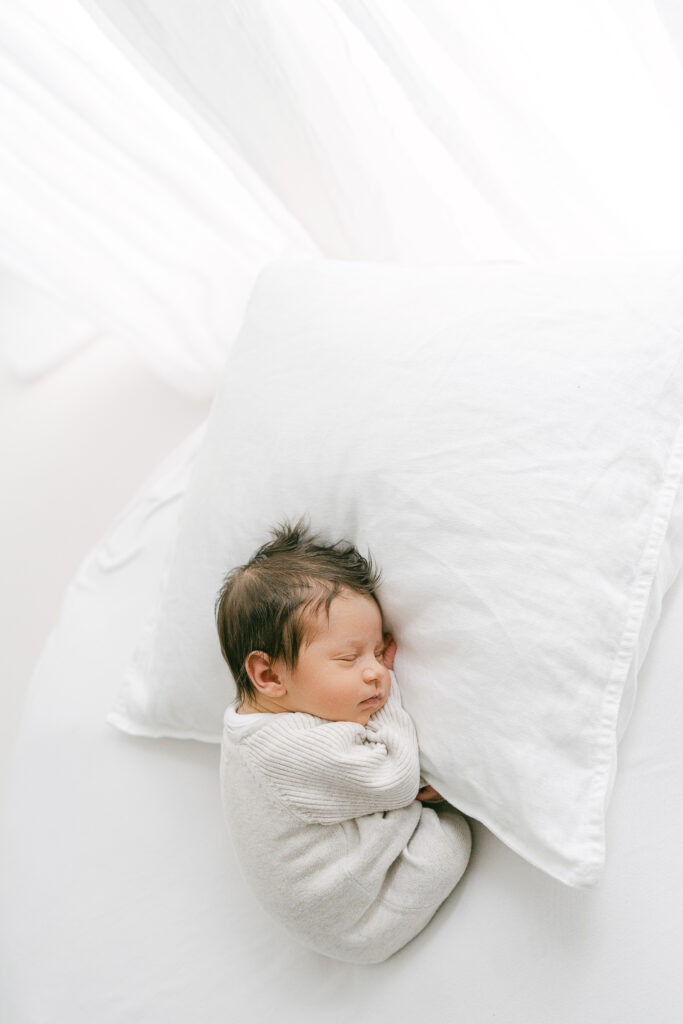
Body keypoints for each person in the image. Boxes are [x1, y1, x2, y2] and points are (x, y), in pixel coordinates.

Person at [215, 519, 471, 963]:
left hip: (325, 899)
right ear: (269, 674)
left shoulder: (254, 717)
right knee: (452, 840)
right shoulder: (286, 751)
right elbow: (395, 776)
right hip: (359, 918)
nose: (374, 670)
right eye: (350, 658)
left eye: (378, 653)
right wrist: (387, 695)